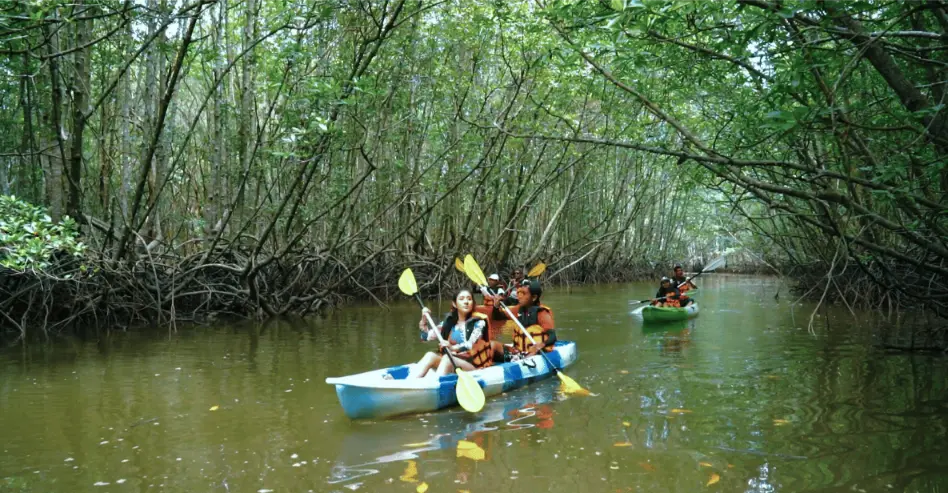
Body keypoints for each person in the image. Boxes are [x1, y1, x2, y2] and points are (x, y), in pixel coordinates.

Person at [409, 289, 495, 378]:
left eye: (469, 299)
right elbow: (425, 337)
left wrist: (452, 347)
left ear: (472, 303)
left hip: (473, 365)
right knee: (430, 355)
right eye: (461, 299)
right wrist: (424, 319)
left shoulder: (479, 322)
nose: (466, 302)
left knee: (447, 359)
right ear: (455, 304)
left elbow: (470, 345)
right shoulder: (449, 322)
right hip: (453, 361)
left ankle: (435, 385)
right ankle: (409, 383)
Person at [493, 280, 556, 359]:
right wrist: (496, 306)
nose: (519, 297)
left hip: (535, 353)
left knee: (531, 353)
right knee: (492, 345)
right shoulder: (518, 309)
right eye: (519, 293)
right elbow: (497, 318)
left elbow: (553, 337)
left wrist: (541, 345)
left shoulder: (542, 313)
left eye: (523, 294)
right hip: (518, 351)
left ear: (534, 297)